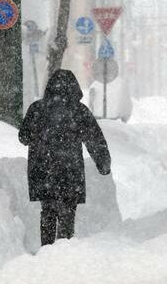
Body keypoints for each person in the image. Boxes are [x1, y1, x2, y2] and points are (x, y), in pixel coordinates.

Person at [19, 69, 111, 247]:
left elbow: (23, 137)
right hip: (70, 171)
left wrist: (40, 135)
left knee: (47, 211)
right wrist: (103, 163)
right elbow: (94, 139)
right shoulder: (79, 111)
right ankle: (64, 248)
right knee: (67, 212)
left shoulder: (37, 109)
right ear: (74, 88)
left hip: (43, 170)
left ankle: (46, 249)